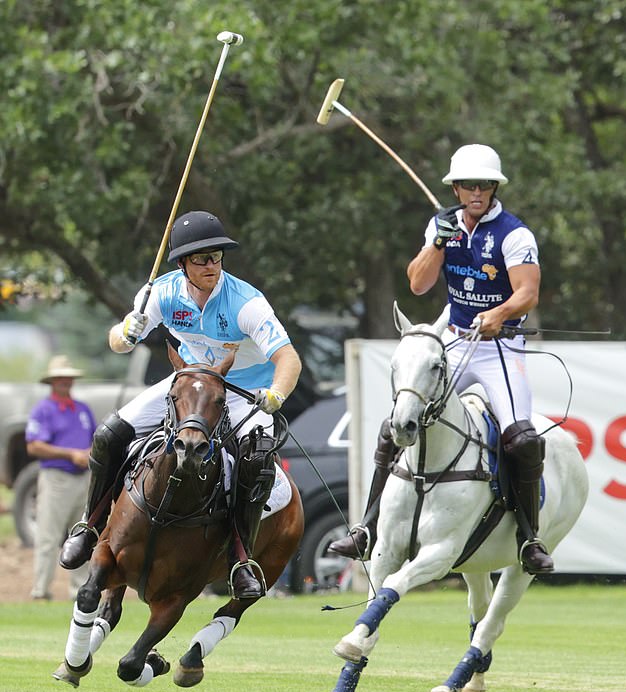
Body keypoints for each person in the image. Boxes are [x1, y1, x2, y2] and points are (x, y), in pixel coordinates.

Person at [330, 144, 553, 575]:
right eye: (469, 184)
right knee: (398, 421)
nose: (477, 191)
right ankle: (367, 528)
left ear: (494, 188)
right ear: (454, 187)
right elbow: (417, 283)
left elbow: (527, 292)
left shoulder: (514, 234)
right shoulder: (442, 225)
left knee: (522, 439)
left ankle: (529, 537)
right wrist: (437, 241)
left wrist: (499, 313)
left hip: (499, 346)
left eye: (485, 185)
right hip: (453, 339)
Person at [59, 211, 302, 598]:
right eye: (202, 259)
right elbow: (117, 343)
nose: (212, 265)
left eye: (217, 256)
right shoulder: (163, 292)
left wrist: (275, 395)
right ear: (183, 264)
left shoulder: (246, 302)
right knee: (108, 435)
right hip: (188, 383)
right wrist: (126, 333)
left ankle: (240, 559)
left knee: (254, 460)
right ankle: (89, 527)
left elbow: (289, 359)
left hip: (241, 394)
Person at [26, 355, 97, 600]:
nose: (65, 381)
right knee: (48, 536)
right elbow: (34, 446)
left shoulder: (82, 409)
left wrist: (88, 453)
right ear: (53, 382)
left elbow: (95, 439)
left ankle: (79, 591)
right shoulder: (44, 410)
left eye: (68, 378)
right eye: (61, 378)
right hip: (56, 478)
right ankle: (41, 590)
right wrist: (70, 454)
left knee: (81, 535)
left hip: (83, 478)